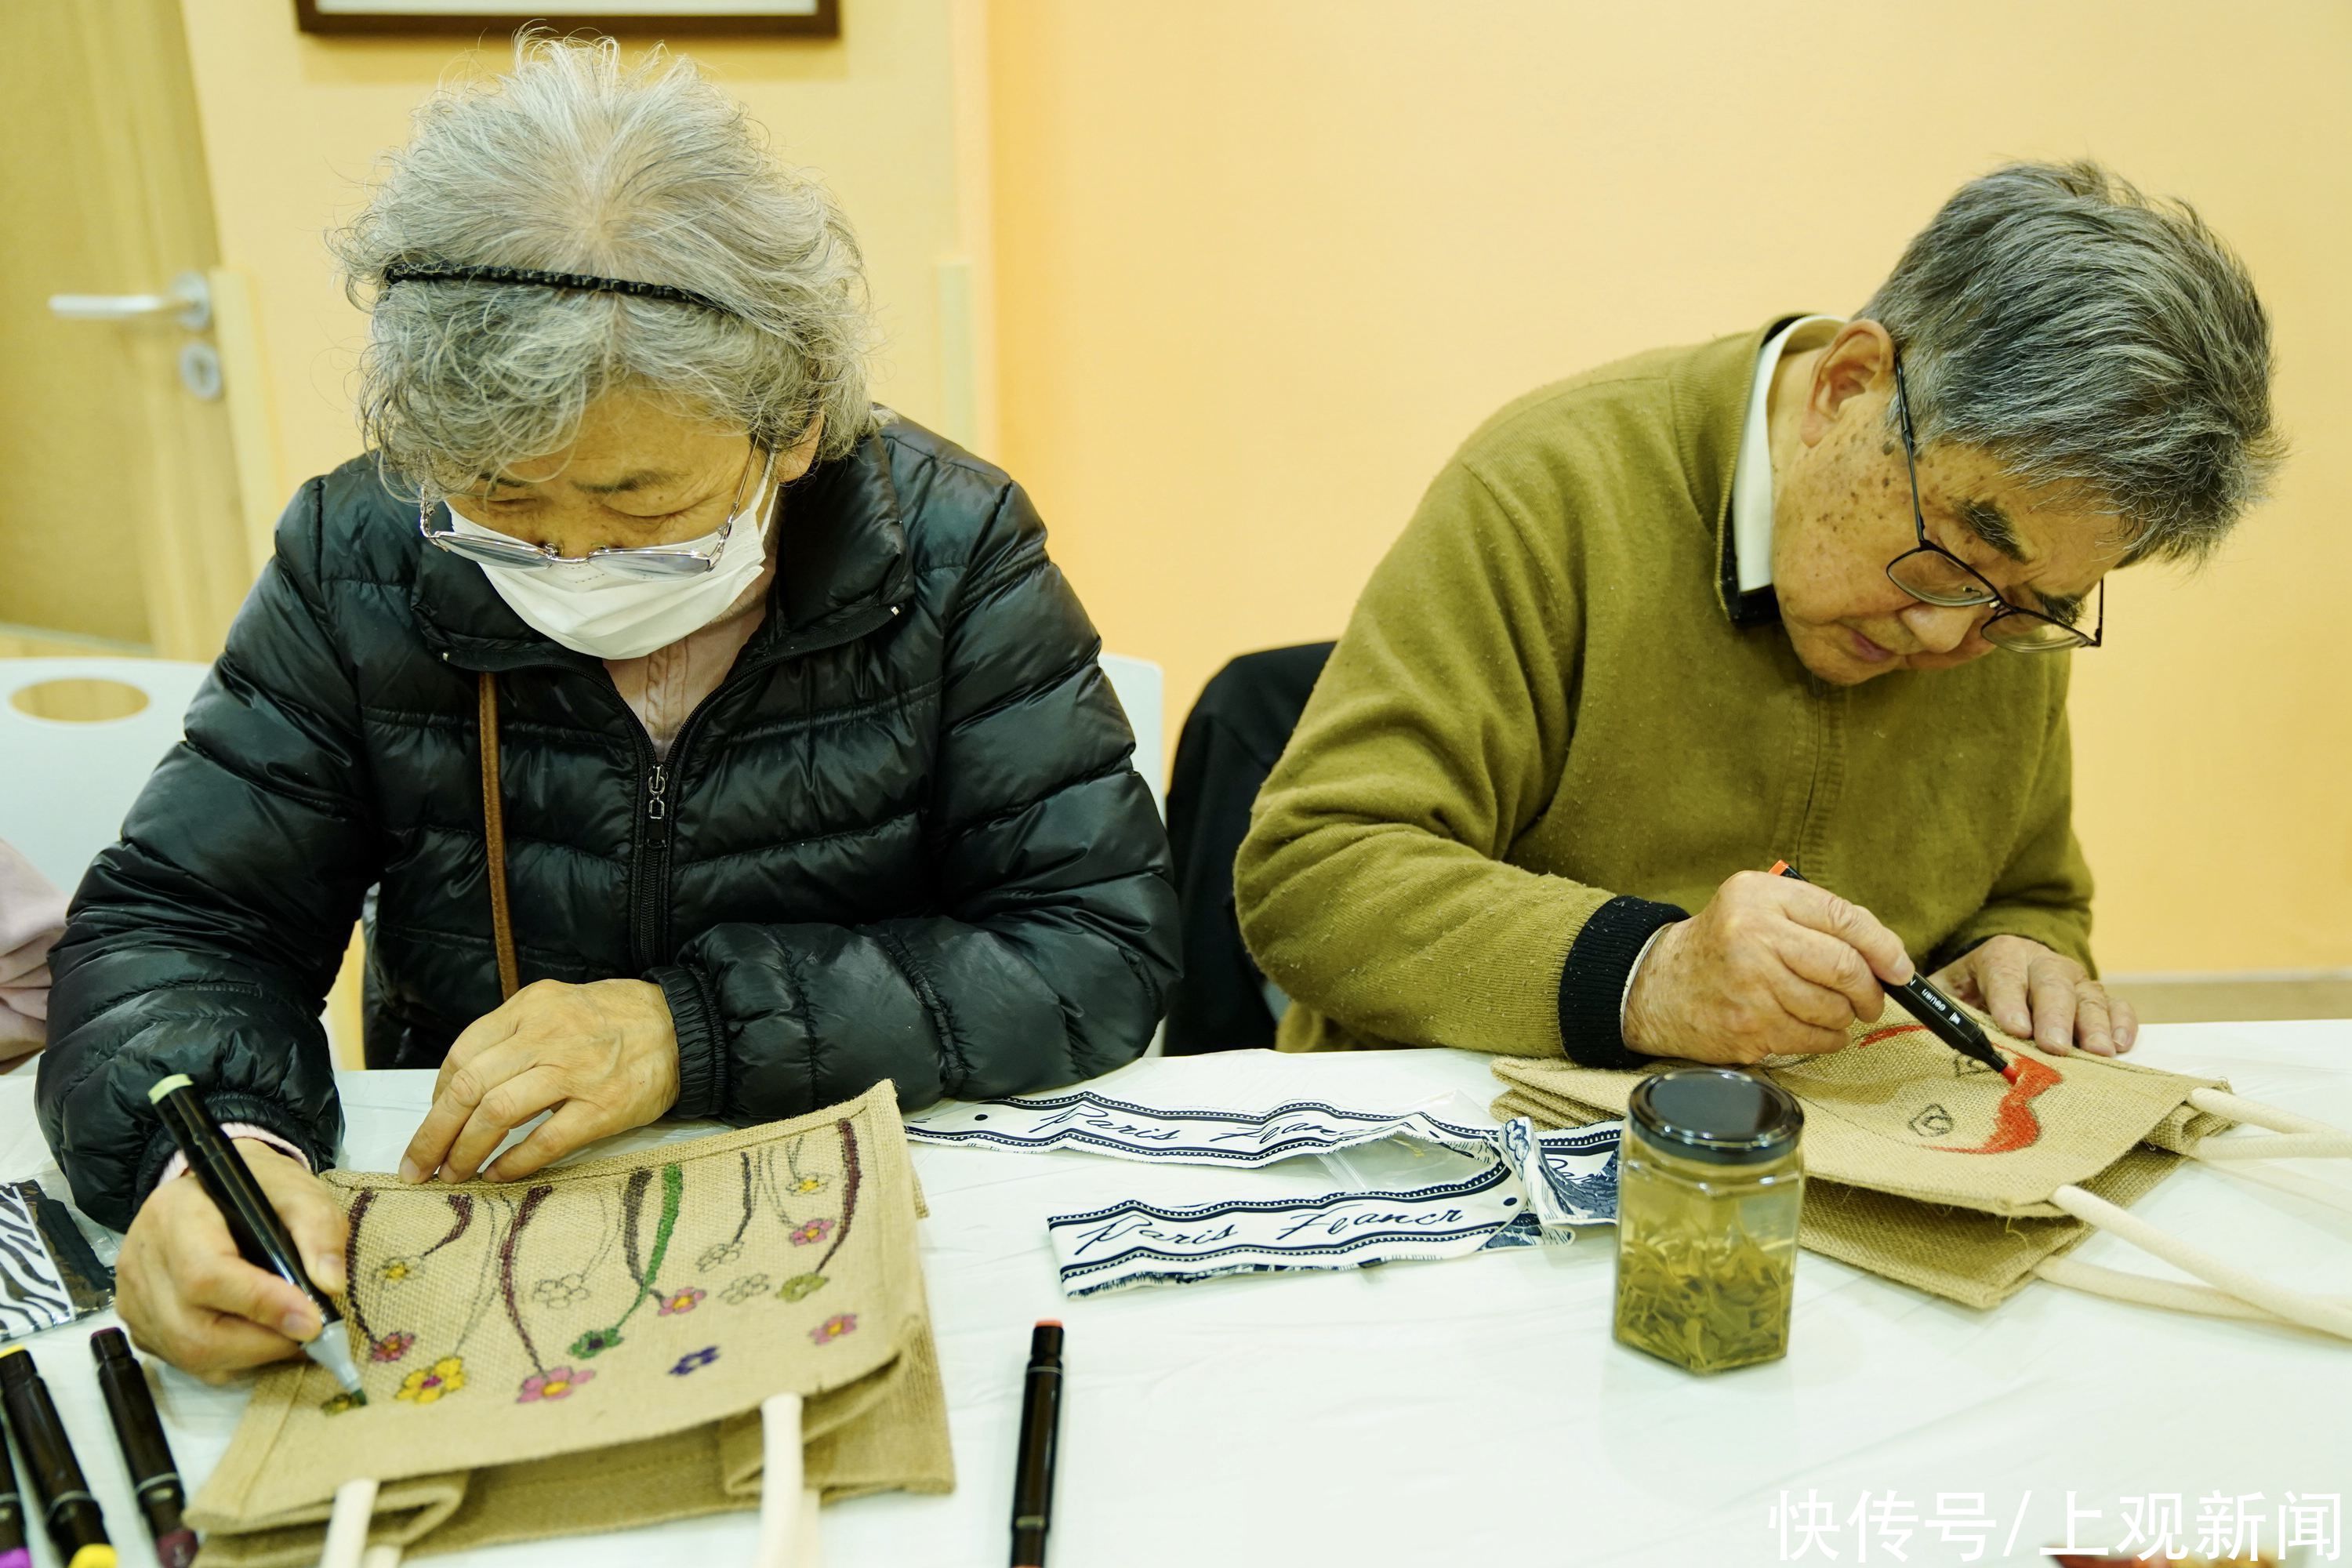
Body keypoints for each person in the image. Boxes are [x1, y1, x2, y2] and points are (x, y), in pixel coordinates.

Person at [37, 39, 1176, 1379]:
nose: (571, 564)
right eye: (503, 503)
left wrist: (689, 1029)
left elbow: (1096, 949)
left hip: (866, 1208)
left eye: (641, 504)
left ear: (795, 422)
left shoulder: (948, 547)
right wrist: (216, 1150)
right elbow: (184, 921)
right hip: (479, 1223)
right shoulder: (364, 550)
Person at [1237, 162, 2278, 1075]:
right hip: (1477, 1149)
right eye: (1953, 558)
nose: (1945, 640)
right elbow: (1315, 870)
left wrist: (2024, 959)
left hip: (1843, 1167)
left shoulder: (2005, 585)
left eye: (2029, 609)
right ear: (1849, 385)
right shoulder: (1552, 487)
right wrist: (1647, 972)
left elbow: (2029, 895)